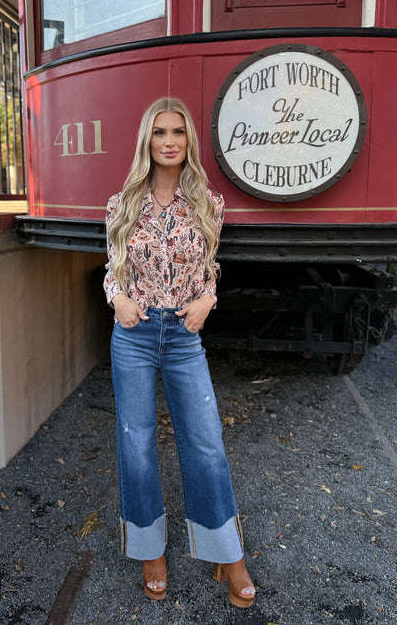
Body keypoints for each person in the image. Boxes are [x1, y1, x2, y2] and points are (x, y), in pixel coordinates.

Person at [103, 96, 255, 608]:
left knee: (207, 442)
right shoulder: (121, 202)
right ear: (148, 140)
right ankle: (151, 552)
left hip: (185, 337)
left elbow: (211, 268)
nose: (169, 141)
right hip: (136, 335)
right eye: (160, 133)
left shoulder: (208, 202)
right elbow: (112, 270)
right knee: (138, 444)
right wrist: (117, 297)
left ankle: (226, 553)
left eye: (179, 133)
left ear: (189, 141)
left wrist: (209, 299)